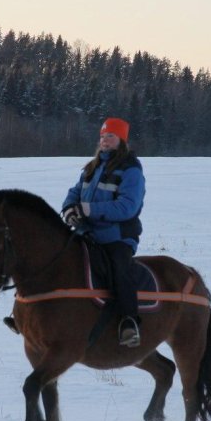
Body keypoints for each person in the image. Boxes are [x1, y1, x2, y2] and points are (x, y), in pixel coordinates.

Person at [61, 117, 145, 347]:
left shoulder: (131, 170)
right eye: (102, 136)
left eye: (110, 136)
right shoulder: (93, 167)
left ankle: (129, 321)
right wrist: (69, 209)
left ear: (122, 140)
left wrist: (88, 209)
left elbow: (127, 207)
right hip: (87, 234)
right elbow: (75, 192)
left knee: (119, 268)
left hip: (117, 236)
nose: (104, 140)